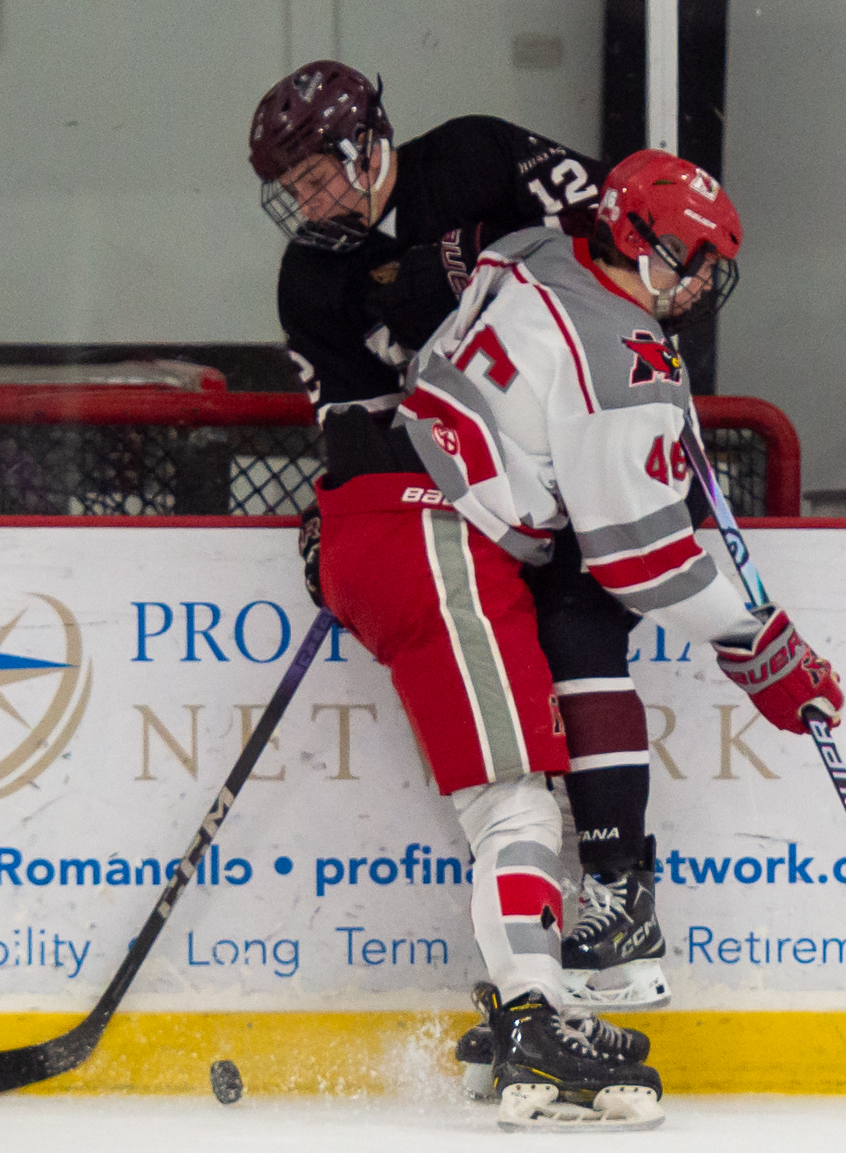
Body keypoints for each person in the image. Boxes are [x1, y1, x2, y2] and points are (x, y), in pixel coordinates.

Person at [249, 63, 666, 1128]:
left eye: (316, 175)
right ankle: (534, 1012)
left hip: (539, 478)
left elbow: (625, 240)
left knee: (542, 727)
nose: (309, 202)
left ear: (368, 143)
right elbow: (357, 418)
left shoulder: (476, 156)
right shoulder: (311, 278)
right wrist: (347, 499)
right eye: (291, 189)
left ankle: (566, 950)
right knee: (511, 790)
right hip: (444, 515)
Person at [388, 148, 845, 1113]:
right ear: (639, 243)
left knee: (574, 622)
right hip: (450, 530)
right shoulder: (621, 358)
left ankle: (583, 945)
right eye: (694, 259)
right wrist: (757, 642)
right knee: (525, 769)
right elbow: (642, 560)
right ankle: (602, 922)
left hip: (432, 494)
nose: (705, 282)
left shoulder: (533, 249)